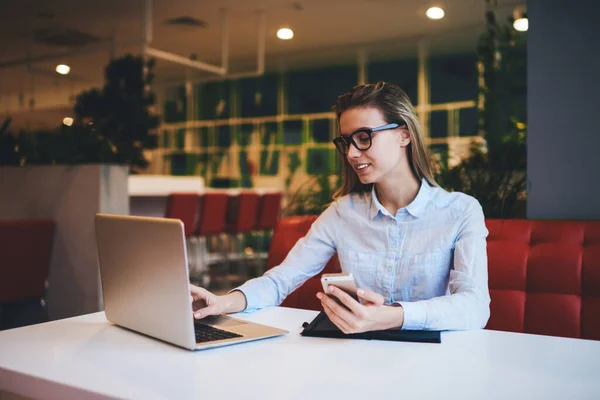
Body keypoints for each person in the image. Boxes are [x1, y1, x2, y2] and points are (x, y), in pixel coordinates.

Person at [190, 81, 490, 333]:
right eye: (346, 142)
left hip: (435, 363)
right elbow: (280, 280)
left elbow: (476, 306)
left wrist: (394, 316)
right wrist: (223, 302)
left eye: (363, 138)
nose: (350, 153)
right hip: (357, 361)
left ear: (404, 134)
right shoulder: (342, 213)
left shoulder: (461, 211)